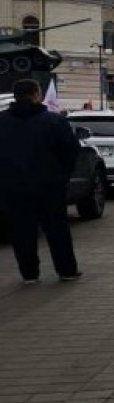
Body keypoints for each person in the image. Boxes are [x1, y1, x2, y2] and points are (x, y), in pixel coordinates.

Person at [0, 78, 81, 285]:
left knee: (21, 231)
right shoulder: (54, 121)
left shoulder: (2, 121)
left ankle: (29, 274)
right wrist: (63, 175)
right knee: (57, 230)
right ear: (37, 94)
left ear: (16, 96)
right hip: (49, 186)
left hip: (13, 187)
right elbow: (71, 151)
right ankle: (66, 270)